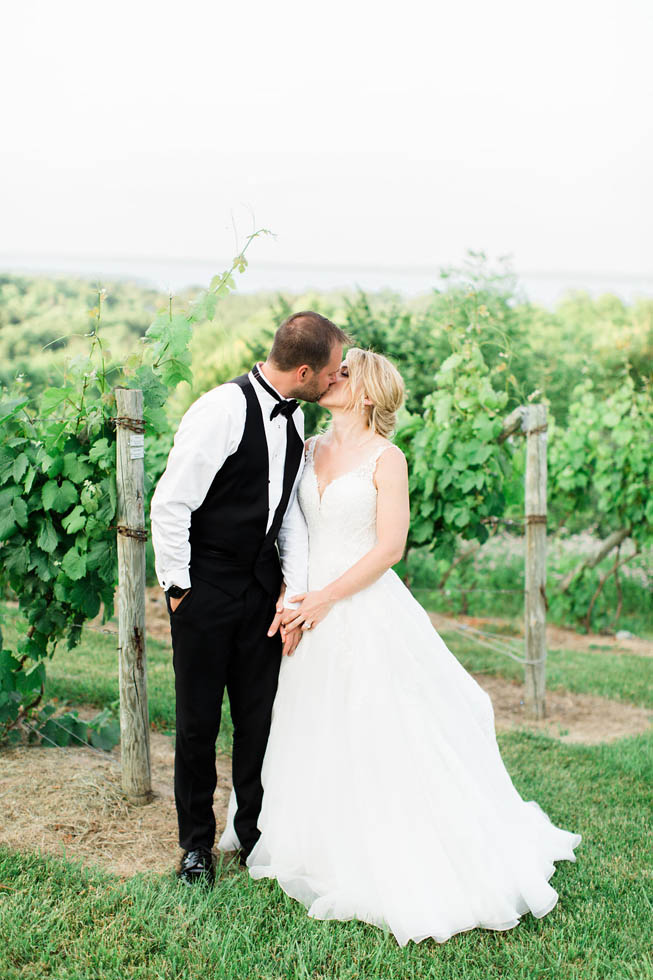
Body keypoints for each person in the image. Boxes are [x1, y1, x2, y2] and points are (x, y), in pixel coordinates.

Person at [219, 347, 582, 946]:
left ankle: (385, 847)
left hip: (361, 603)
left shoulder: (389, 460)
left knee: (377, 723)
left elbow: (389, 548)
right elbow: (291, 529)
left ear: (365, 393)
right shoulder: (309, 448)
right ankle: (304, 837)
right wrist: (294, 594)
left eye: (345, 372)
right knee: (306, 722)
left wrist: (326, 598)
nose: (332, 376)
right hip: (309, 602)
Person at [150, 310, 349, 885]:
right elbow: (171, 504)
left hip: (262, 596)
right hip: (205, 592)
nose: (337, 380)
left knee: (259, 722)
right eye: (333, 372)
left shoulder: (293, 426)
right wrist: (180, 590)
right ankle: (195, 849)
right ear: (306, 371)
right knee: (197, 725)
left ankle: (254, 835)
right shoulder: (220, 410)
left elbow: (285, 517)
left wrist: (295, 590)